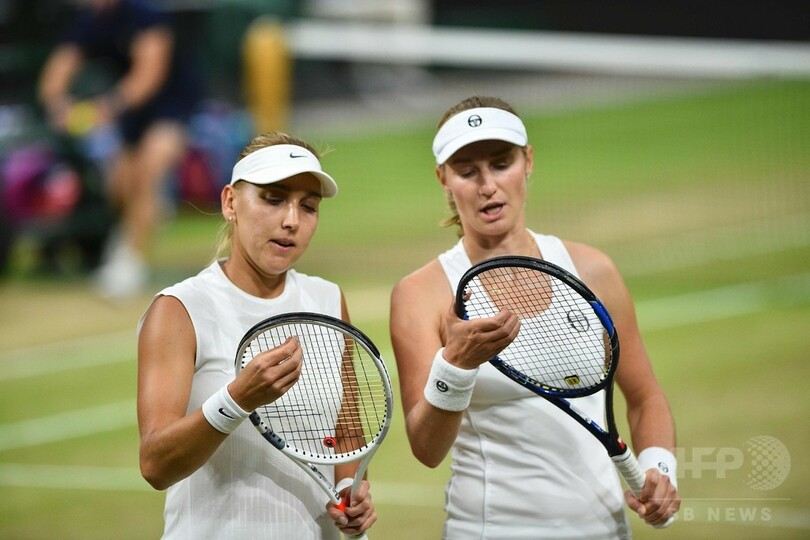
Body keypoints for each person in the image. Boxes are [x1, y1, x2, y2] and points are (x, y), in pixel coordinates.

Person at [389, 96, 681, 539]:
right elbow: (427, 450)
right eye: (467, 171)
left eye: (501, 163)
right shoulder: (420, 294)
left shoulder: (592, 270)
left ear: (528, 161)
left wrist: (660, 467)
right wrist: (456, 366)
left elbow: (645, 397)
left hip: (605, 529)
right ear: (443, 178)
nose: (488, 185)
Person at [137, 132, 377, 538]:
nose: (292, 220)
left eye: (309, 206)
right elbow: (156, 465)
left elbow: (346, 433)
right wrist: (237, 399)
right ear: (230, 202)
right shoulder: (179, 308)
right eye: (273, 199)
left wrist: (349, 490)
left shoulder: (328, 300)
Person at [38, 0, 203, 299]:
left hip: (173, 107)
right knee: (121, 185)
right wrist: (58, 104)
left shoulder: (144, 14)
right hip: (131, 116)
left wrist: (107, 107)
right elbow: (58, 71)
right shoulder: (90, 22)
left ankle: (130, 263)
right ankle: (146, 217)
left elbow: (149, 74)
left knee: (148, 170)